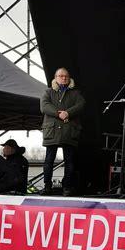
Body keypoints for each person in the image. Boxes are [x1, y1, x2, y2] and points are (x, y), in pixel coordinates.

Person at [40, 67, 85, 196]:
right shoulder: (48, 92)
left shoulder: (76, 93)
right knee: (49, 159)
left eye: (66, 76)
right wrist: (58, 113)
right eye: (61, 76)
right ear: (55, 78)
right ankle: (47, 186)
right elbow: (44, 106)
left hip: (69, 130)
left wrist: (68, 113)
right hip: (52, 130)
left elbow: (81, 104)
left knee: (69, 160)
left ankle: (67, 187)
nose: (64, 78)